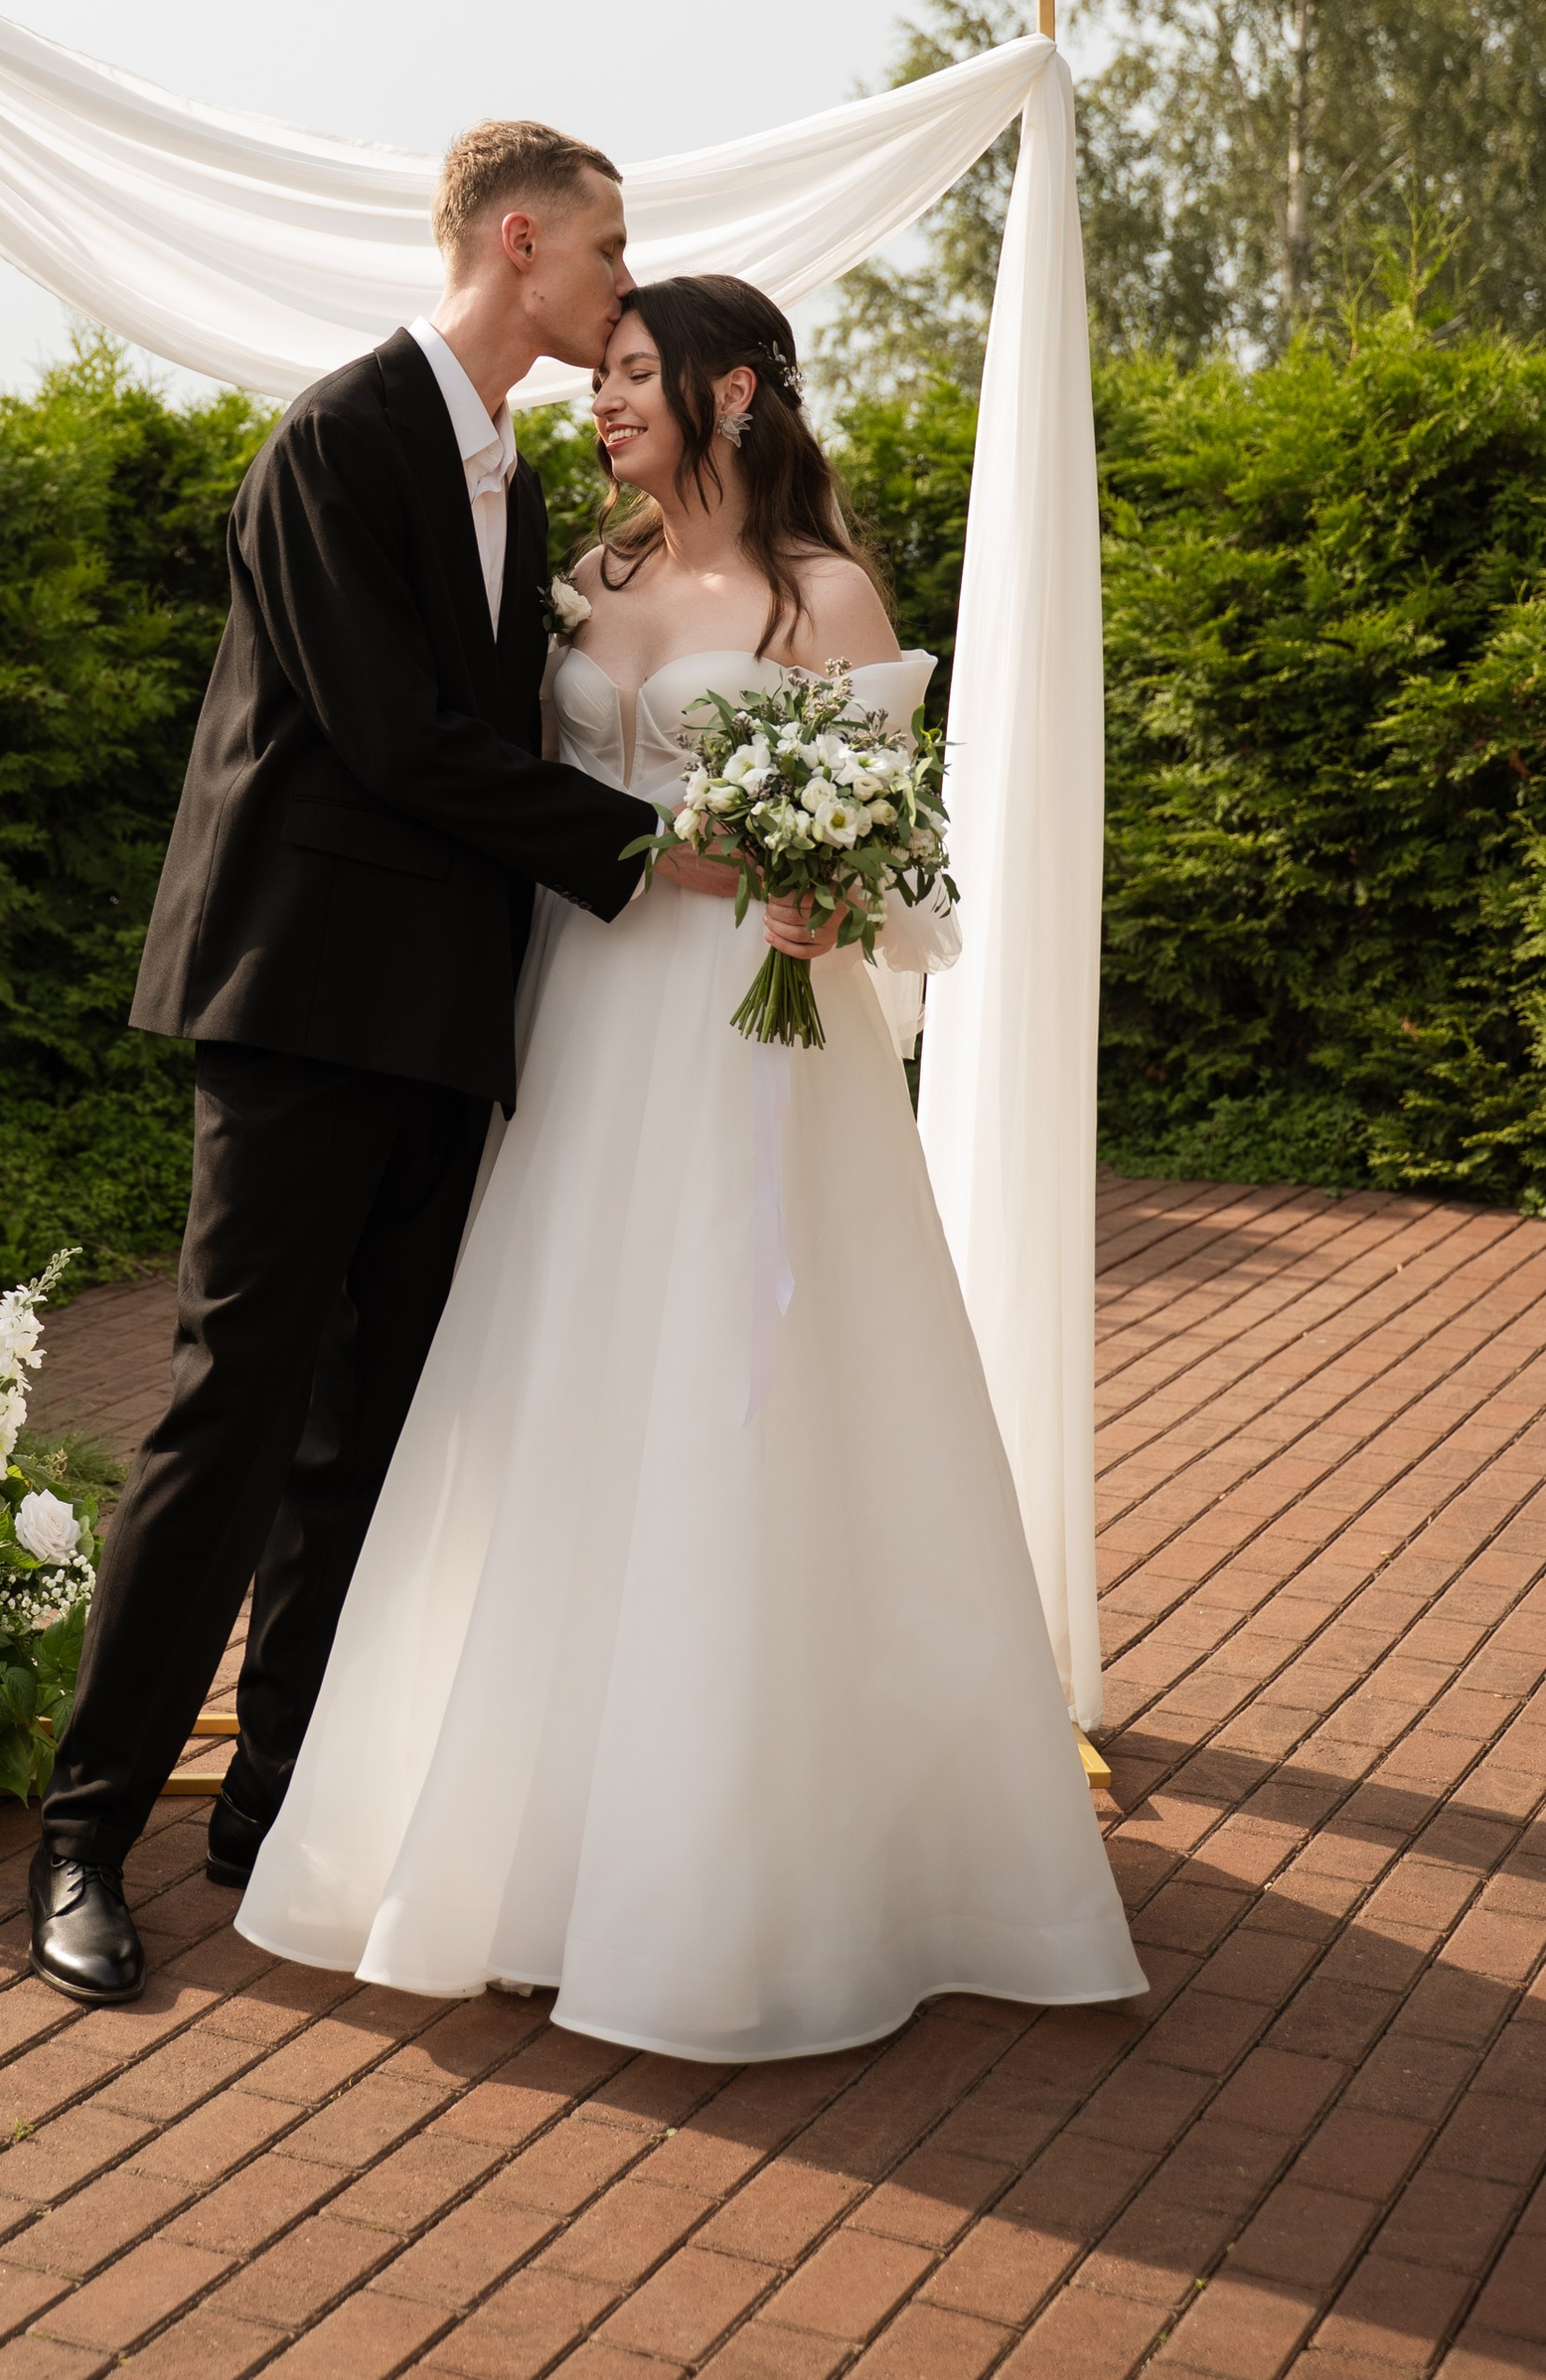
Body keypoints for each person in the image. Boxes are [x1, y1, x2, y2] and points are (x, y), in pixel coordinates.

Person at [234, 274, 1145, 2060]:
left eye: (637, 374)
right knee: (556, 1391)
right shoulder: (593, 585)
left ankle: (741, 1859)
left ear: (734, 395)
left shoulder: (821, 597)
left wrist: (825, 890)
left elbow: (890, 852)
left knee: (741, 1404)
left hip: (743, 1039)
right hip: (577, 1022)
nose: (602, 400)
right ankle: (524, 1843)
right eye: (603, 376)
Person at [27, 121, 687, 2005]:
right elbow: (394, 742)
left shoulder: (517, 492)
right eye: (611, 252)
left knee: (366, 1440)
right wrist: (650, 860)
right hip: (302, 1003)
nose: (622, 287)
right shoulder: (338, 439)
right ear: (521, 237)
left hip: (441, 1025)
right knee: (233, 1414)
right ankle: (85, 1833)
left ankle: (278, 1807)